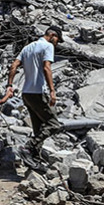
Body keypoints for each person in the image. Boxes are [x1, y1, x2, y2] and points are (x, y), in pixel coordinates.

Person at [7, 26, 64, 169]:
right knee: (53, 124)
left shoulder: (28, 47)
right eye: (57, 39)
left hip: (26, 93)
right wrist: (52, 90)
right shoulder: (47, 46)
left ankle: (34, 159)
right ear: (52, 35)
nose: (57, 43)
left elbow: (14, 66)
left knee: (39, 128)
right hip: (39, 92)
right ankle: (28, 148)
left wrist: (10, 85)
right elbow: (47, 68)